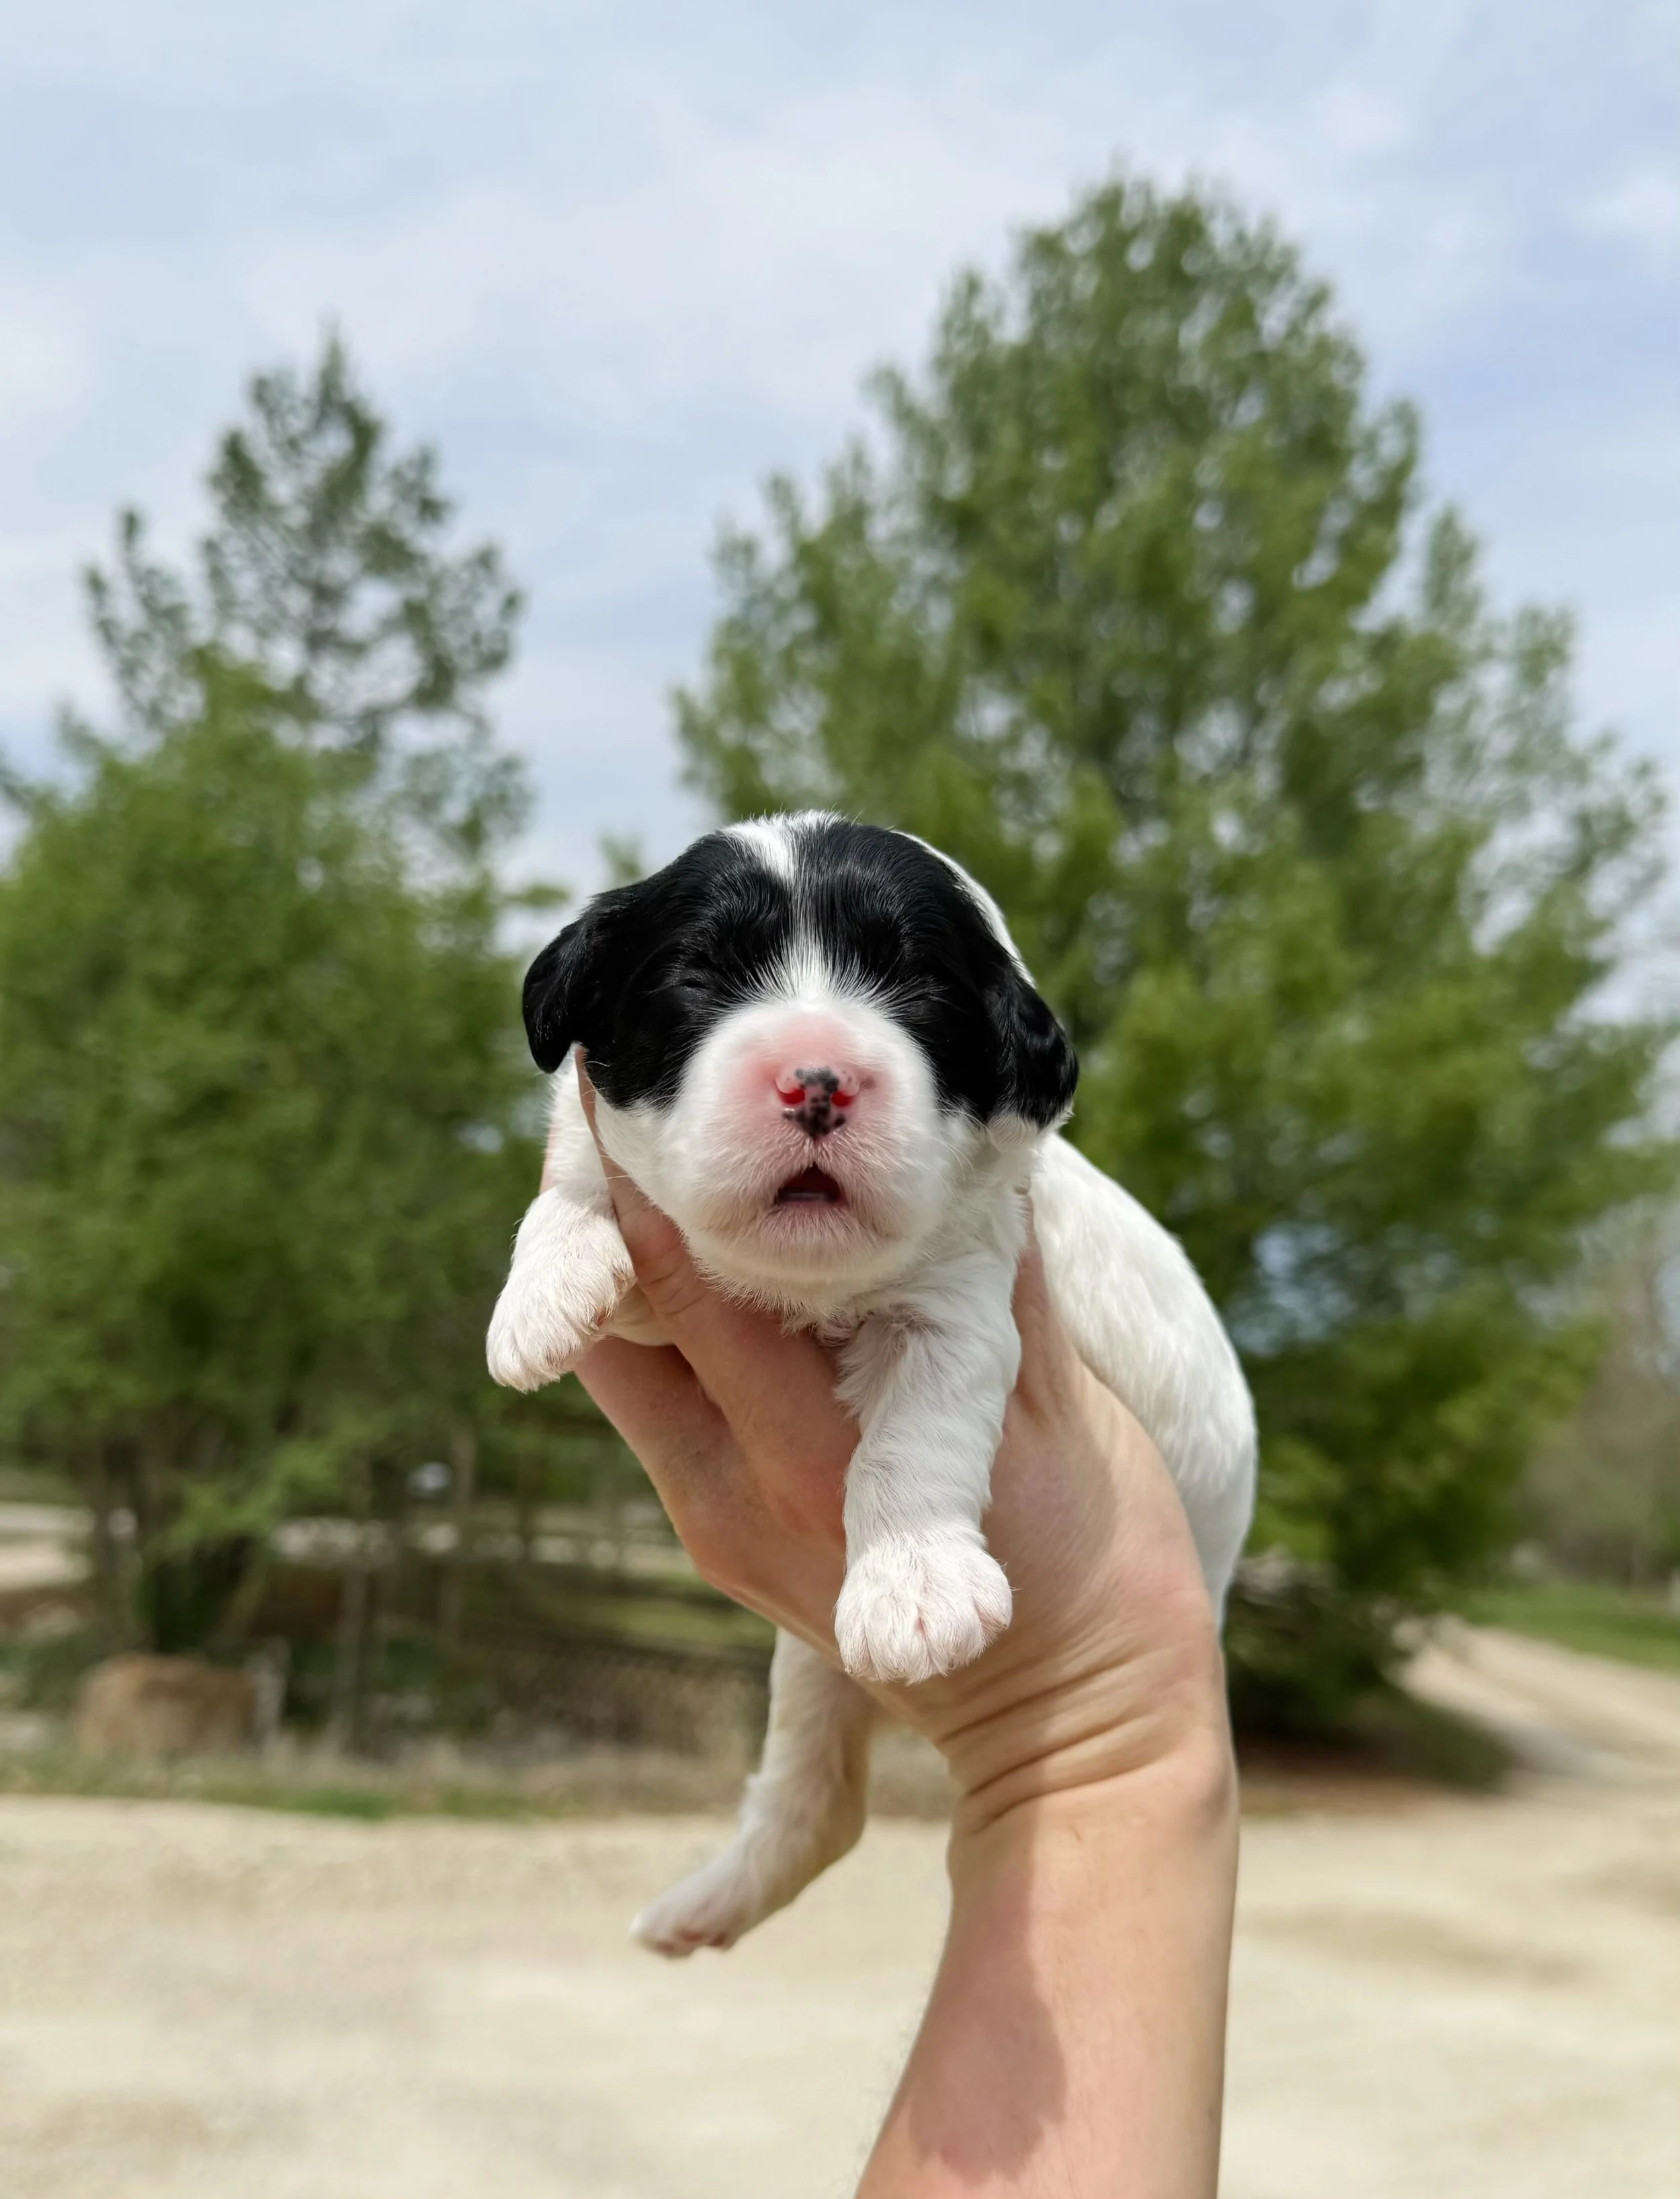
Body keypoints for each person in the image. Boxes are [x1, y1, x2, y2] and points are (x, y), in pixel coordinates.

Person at [573, 1072, 1239, 2196]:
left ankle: (800, 1812)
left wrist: (1086, 1732)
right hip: (1130, 1542)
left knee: (880, 1529)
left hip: (1157, 1474)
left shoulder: (948, 1163)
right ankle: (802, 1809)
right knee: (856, 1549)